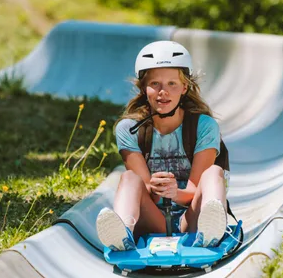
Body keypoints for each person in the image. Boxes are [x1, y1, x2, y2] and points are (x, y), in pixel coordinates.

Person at [96, 40, 229, 252]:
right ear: (143, 88)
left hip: (190, 217)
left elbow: (195, 189)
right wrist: (157, 189)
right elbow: (145, 189)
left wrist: (174, 192)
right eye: (155, 84)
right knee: (129, 177)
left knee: (213, 172)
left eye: (172, 84)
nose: (163, 92)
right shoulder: (129, 129)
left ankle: (211, 232)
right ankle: (122, 234)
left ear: (184, 87)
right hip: (152, 218)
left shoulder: (203, 126)